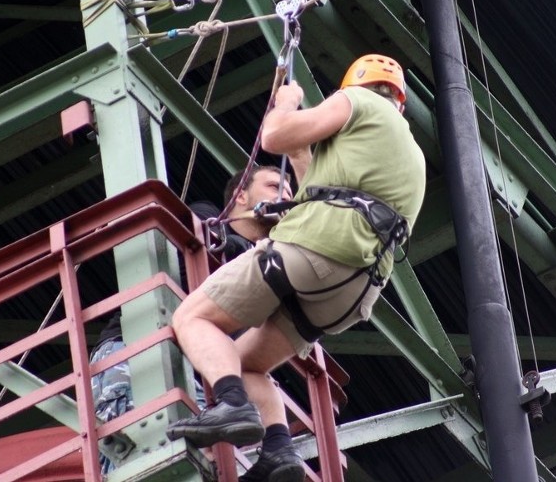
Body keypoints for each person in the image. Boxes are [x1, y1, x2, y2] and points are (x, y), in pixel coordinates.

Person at [166, 54, 426, 481]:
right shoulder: (409, 156)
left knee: (192, 318)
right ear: (398, 99)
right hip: (353, 292)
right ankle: (278, 449)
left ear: (359, 85)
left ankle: (231, 404)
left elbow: (274, 137)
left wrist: (287, 102)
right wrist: (300, 147)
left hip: (315, 249)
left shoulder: (355, 101)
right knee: (248, 361)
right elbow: (318, 185)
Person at [89, 166, 293, 474]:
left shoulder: (268, 267)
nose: (285, 197)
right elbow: (193, 259)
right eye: (274, 186)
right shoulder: (206, 218)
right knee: (141, 456)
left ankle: (280, 448)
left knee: (206, 457)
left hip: (197, 373)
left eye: (290, 192)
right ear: (240, 196)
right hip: (136, 355)